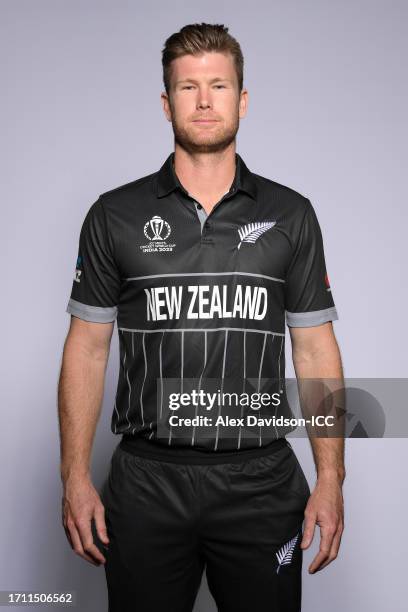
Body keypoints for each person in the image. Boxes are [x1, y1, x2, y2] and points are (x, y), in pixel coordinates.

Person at [58, 22, 345, 612]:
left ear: (242, 100)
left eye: (219, 85)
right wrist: (75, 477)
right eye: (189, 87)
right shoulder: (115, 214)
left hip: (260, 480)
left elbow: (315, 351)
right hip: (146, 480)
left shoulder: (291, 215)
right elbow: (87, 348)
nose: (205, 100)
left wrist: (332, 480)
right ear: (167, 104)